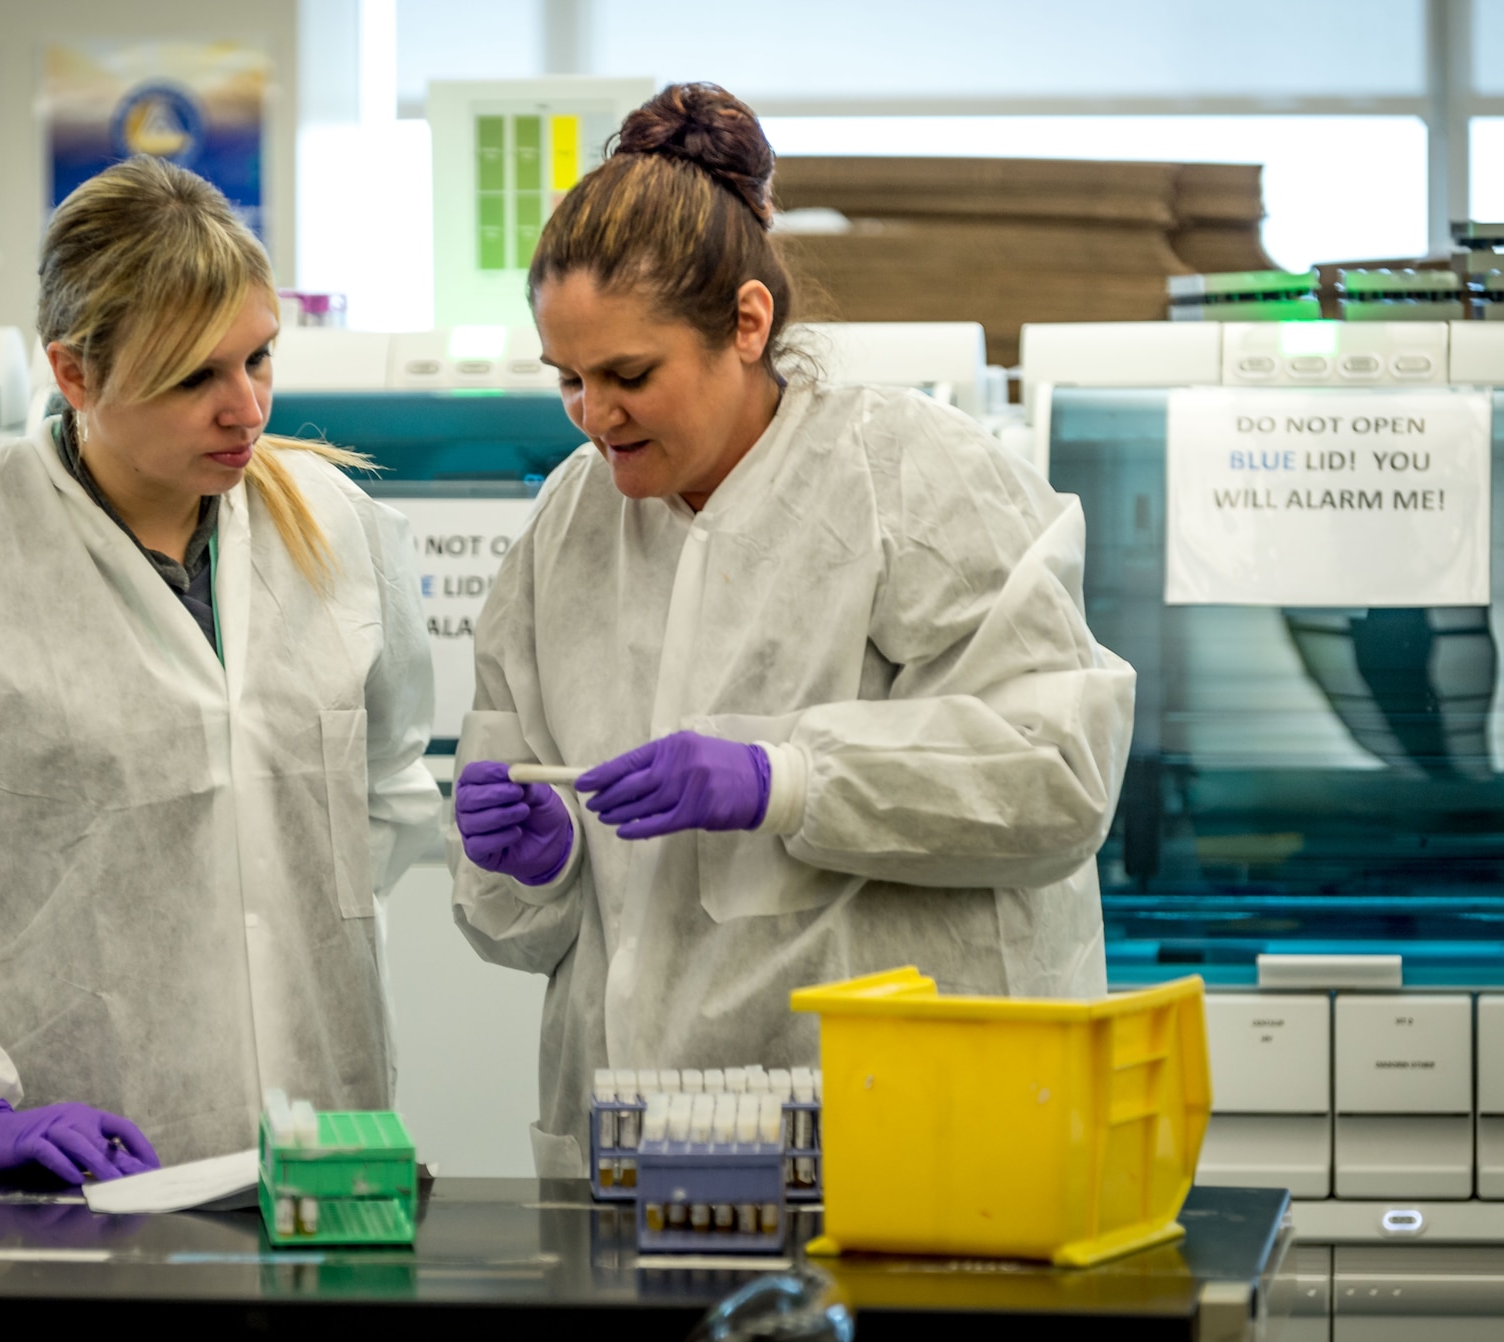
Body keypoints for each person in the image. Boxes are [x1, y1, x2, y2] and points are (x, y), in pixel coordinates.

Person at [448, 85, 1135, 1176]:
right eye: (568, 380)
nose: (592, 415)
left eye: (629, 375)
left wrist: (789, 778)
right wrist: (533, 861)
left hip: (911, 1143)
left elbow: (1056, 775)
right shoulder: (566, 530)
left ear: (748, 322)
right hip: (639, 1142)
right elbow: (522, 930)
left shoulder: (909, 476)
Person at [0, 156, 439, 1183]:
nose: (247, 410)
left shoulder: (332, 529)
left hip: (320, 1161)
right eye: (194, 377)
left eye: (259, 358)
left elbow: (379, 791)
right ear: (75, 374)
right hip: (63, 1175)